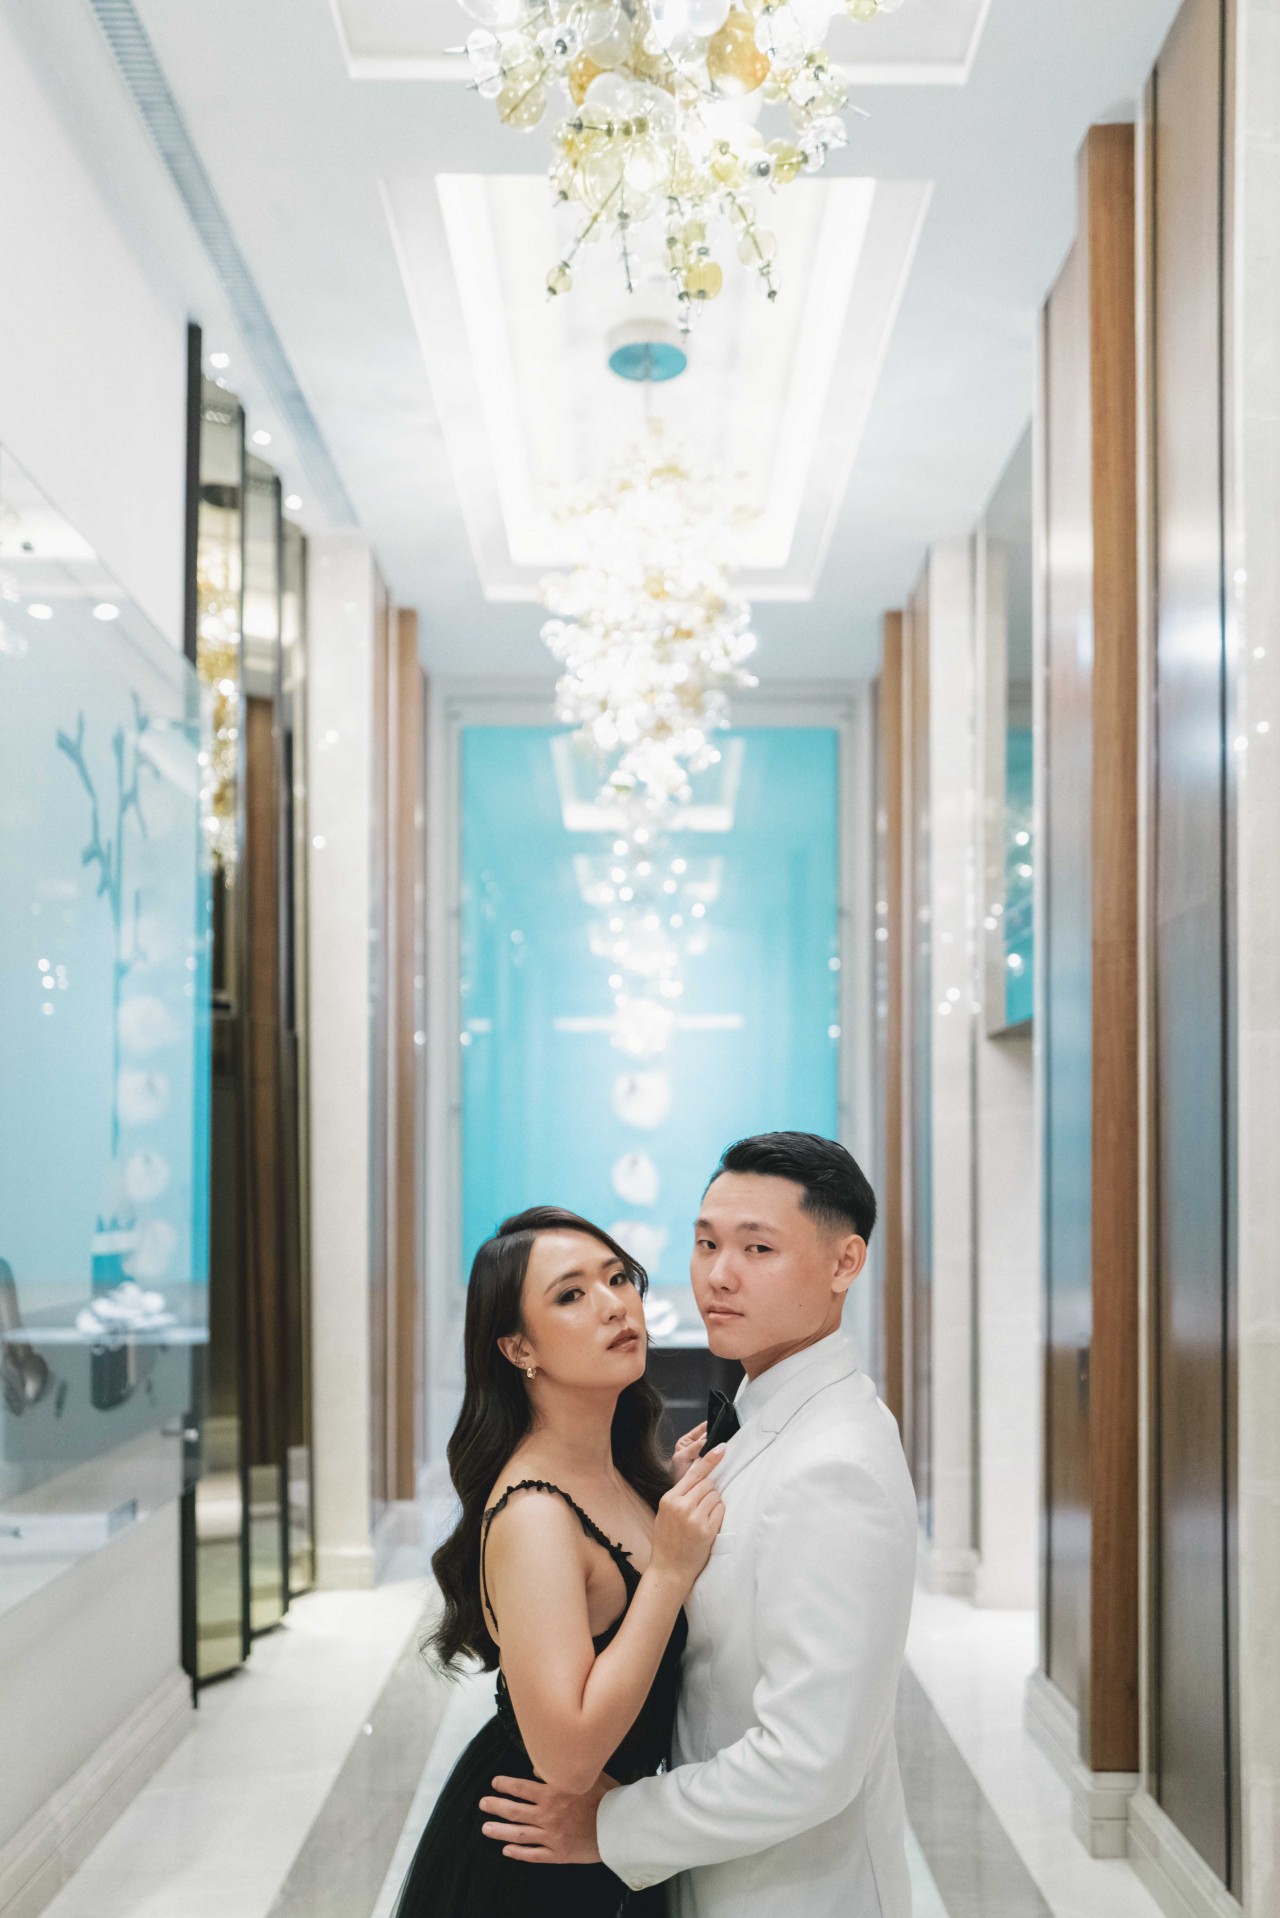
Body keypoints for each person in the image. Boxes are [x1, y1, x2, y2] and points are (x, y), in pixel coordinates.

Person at [479, 1132, 919, 1918]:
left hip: (786, 1890)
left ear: (844, 1264)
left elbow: (810, 1761)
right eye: (707, 1243)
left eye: (758, 1248)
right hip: (688, 1863)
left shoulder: (835, 1469)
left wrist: (614, 1824)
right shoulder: (753, 1423)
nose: (719, 1275)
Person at [393, 1203, 725, 1918]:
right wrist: (668, 1570)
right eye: (571, 1295)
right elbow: (568, 1761)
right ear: (519, 1349)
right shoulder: (535, 1513)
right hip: (534, 1856)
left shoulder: (618, 1468)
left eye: (619, 1278)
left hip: (605, 1838)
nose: (614, 1305)